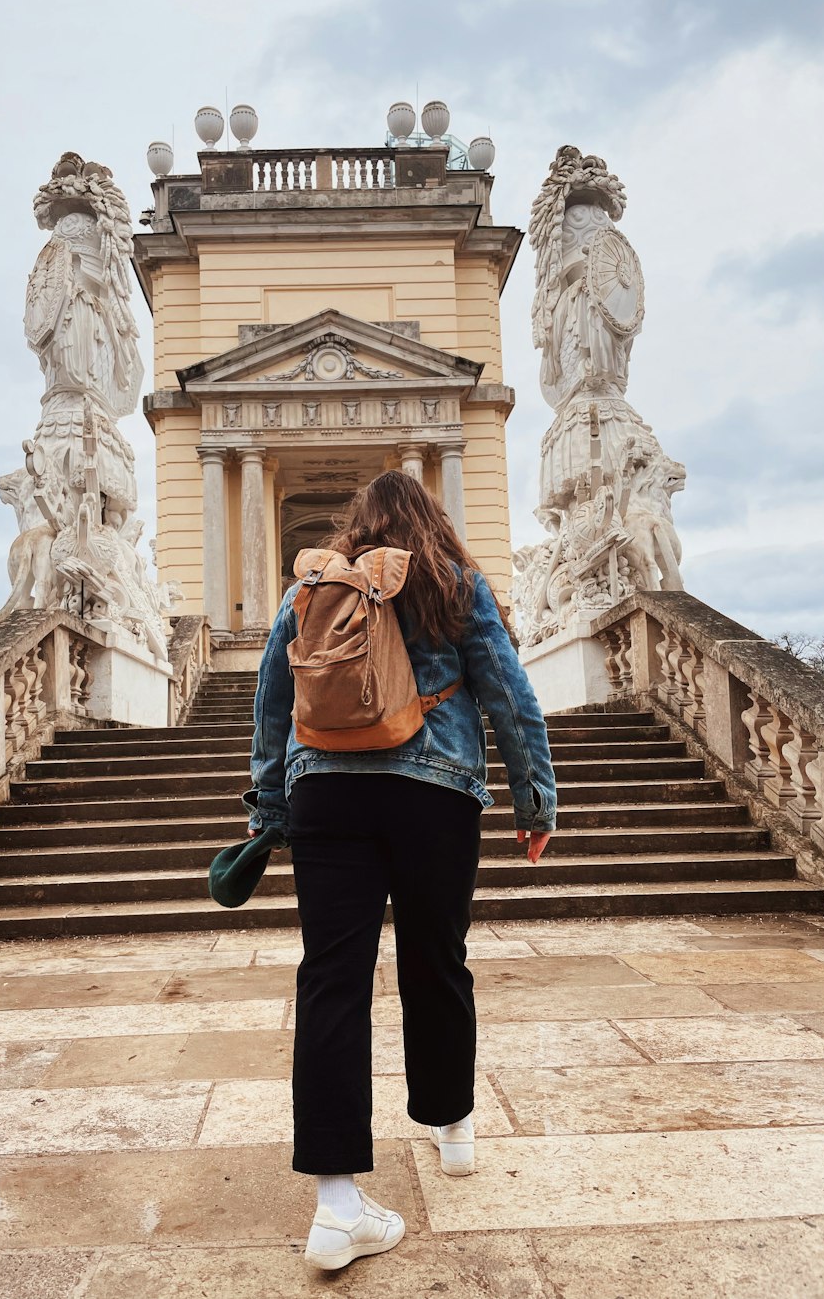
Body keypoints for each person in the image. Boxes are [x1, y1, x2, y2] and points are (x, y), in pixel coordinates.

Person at [244, 470, 557, 1272]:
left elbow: (272, 700)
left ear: (359, 523)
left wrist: (271, 807)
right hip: (435, 790)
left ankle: (336, 1203)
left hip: (326, 793)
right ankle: (452, 1126)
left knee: (332, 978)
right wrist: (534, 799)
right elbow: (507, 691)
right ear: (429, 518)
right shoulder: (453, 581)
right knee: (436, 956)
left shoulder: (313, 584)